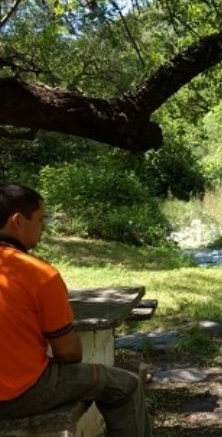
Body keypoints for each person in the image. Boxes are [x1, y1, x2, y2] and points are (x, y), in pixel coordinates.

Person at [0, 183, 152, 436]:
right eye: (40, 219)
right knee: (126, 385)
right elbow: (69, 352)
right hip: (17, 394)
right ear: (17, 221)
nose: (44, 227)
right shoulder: (38, 274)